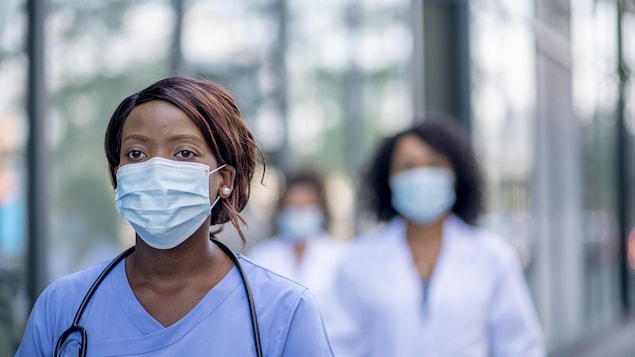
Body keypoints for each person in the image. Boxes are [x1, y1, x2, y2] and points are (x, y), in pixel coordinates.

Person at [15, 76, 334, 356]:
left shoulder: (285, 311)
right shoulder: (63, 307)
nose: (156, 170)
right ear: (119, 175)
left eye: (184, 152)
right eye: (136, 153)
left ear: (225, 180)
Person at [331, 118, 545, 356]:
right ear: (388, 178)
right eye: (408, 167)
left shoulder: (493, 256)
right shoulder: (358, 261)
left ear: (456, 175)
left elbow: (520, 347)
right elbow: (341, 348)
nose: (421, 176)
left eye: (434, 165)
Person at [248, 169, 348, 343]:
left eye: (306, 207)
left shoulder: (341, 257)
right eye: (293, 207)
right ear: (282, 210)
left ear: (320, 210)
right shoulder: (260, 258)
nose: (300, 214)